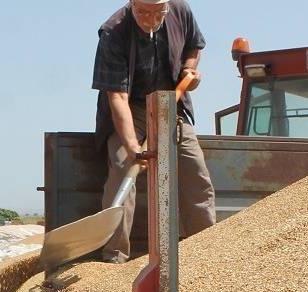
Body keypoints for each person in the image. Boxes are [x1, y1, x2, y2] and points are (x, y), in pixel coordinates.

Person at [91, 0, 216, 263]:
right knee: (123, 165)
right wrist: (133, 147)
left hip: (171, 104)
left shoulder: (180, 9)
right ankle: (115, 256)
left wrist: (188, 68)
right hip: (131, 107)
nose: (150, 20)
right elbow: (117, 98)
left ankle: (206, 251)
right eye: (143, 12)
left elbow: (194, 44)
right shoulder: (114, 31)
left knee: (196, 175)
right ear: (132, 4)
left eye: (157, 12)